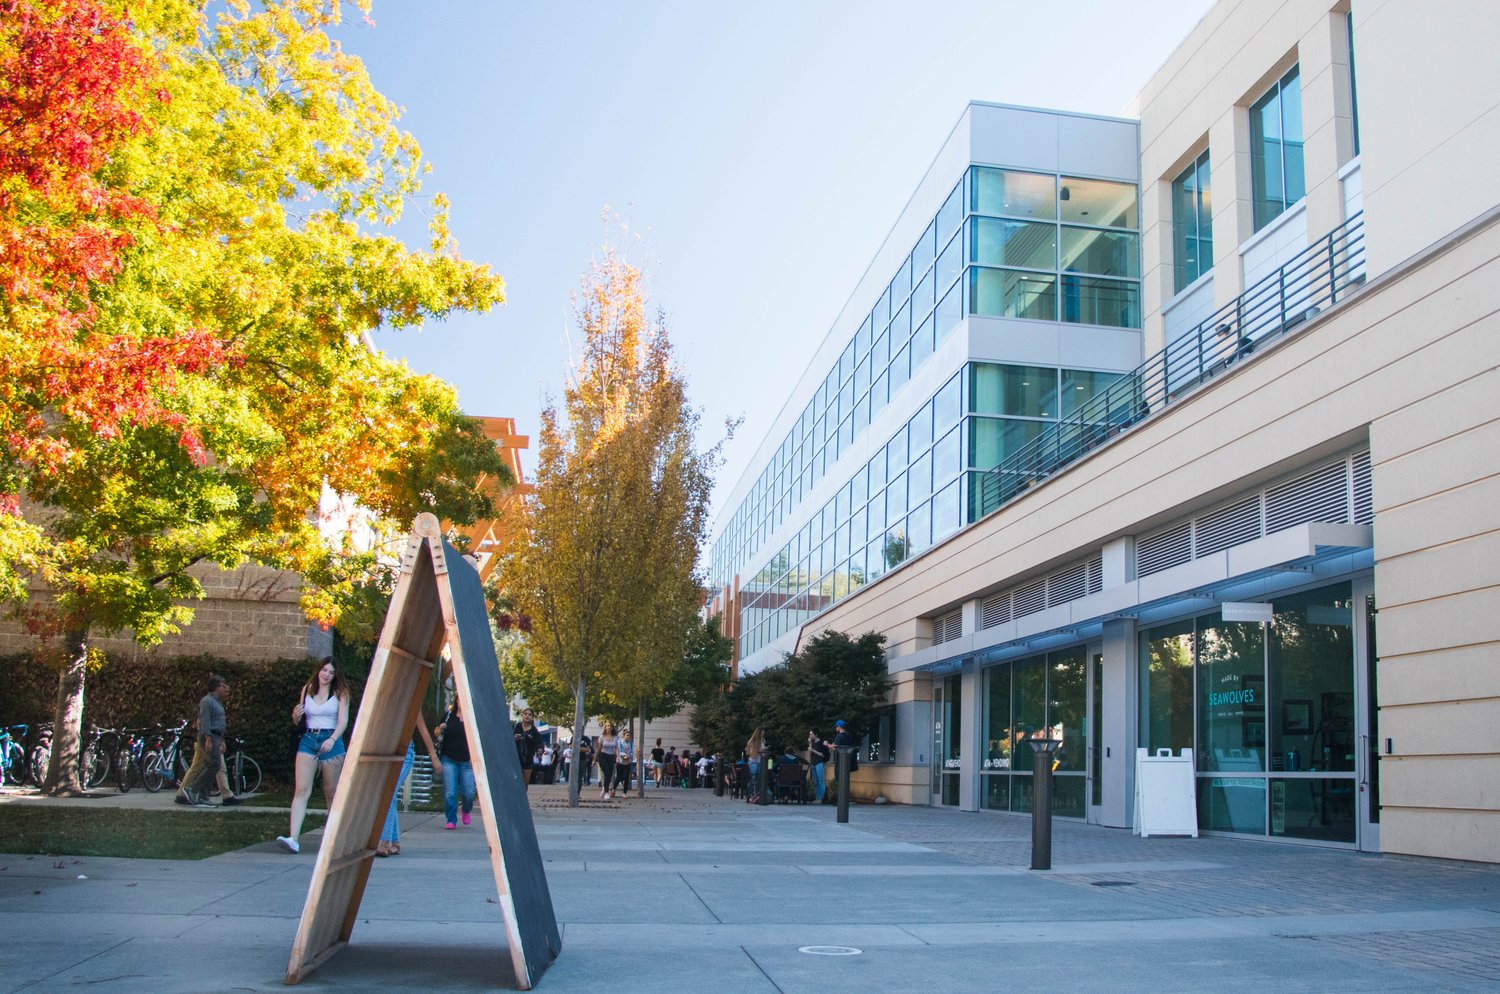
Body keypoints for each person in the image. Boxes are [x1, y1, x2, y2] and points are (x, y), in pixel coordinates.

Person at [277, 658, 350, 853]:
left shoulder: (340, 693)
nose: (326, 674)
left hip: (331, 739)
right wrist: (295, 716)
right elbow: (300, 721)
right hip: (309, 738)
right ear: (318, 671)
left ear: (335, 676)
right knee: (301, 789)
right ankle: (293, 838)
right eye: (324, 670)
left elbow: (343, 721)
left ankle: (334, 837)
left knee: (331, 791)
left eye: (331, 672)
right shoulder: (307, 689)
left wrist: (332, 739)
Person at [179, 676, 240, 807]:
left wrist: (222, 739)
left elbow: (219, 722)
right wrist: (208, 739)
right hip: (209, 736)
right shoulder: (207, 701)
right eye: (223, 686)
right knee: (214, 764)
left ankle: (203, 796)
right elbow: (205, 721)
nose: (226, 689)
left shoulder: (218, 702)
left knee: (212, 765)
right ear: (216, 687)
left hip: (217, 736)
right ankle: (192, 789)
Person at [434, 696, 476, 829]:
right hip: (449, 759)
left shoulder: (472, 718)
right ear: (457, 701)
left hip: (466, 761)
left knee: (469, 792)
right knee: (450, 792)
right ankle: (451, 819)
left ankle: (466, 809)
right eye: (459, 700)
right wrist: (440, 728)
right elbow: (436, 733)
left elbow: (478, 738)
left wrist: (474, 756)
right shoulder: (448, 716)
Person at [376, 738, 415, 857]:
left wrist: (433, 756)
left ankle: (385, 841)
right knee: (389, 795)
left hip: (404, 753)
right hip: (388, 751)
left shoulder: (409, 718)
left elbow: (423, 730)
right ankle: (395, 842)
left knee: (389, 793)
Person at [513, 708, 543, 790]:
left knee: (525, 784)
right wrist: (514, 738)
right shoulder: (516, 726)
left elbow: (539, 742)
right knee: (514, 781)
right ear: (522, 715)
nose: (527, 716)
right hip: (515, 758)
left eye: (530, 715)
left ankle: (522, 800)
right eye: (525, 714)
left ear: (532, 717)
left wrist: (539, 749)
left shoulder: (534, 730)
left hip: (528, 759)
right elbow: (507, 738)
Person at [594, 721, 619, 800]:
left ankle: (604, 789)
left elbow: (616, 748)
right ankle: (606, 792)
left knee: (609, 774)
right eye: (607, 726)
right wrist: (594, 759)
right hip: (603, 756)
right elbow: (598, 748)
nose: (609, 727)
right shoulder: (602, 737)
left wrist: (618, 757)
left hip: (611, 757)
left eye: (610, 726)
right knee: (607, 772)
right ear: (605, 728)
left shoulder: (615, 737)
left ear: (612, 728)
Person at [807, 729, 830, 803]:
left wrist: (813, 750)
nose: (810, 736)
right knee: (816, 782)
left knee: (821, 781)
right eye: (810, 734)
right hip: (813, 763)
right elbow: (810, 754)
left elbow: (823, 755)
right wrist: (810, 744)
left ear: (816, 734)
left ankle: (820, 799)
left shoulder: (821, 743)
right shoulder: (812, 743)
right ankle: (817, 798)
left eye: (811, 734)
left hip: (819, 763)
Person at [614, 727, 634, 794]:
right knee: (619, 778)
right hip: (620, 762)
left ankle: (624, 793)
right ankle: (613, 789)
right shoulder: (620, 742)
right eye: (627, 735)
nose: (628, 737)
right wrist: (624, 755)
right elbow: (619, 751)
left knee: (626, 778)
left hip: (627, 763)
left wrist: (629, 756)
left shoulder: (631, 743)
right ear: (624, 736)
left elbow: (632, 751)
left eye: (629, 736)